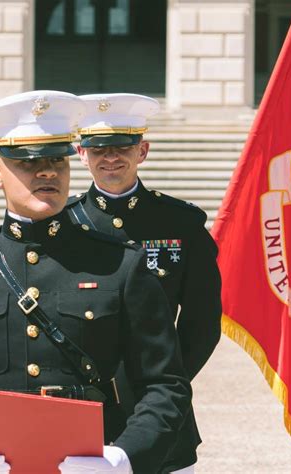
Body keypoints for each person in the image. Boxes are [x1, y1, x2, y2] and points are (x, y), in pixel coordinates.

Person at [0, 90, 192, 474]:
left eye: (57, 160)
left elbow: (166, 385)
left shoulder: (120, 264)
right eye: (27, 162)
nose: (48, 172)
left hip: (92, 461)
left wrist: (126, 457)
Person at [68, 93, 222, 474]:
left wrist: (165, 384)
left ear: (143, 150)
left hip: (159, 406)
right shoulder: (64, 227)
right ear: (80, 153)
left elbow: (202, 321)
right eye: (97, 149)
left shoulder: (180, 223)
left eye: (122, 147)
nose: (111, 158)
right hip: (81, 407)